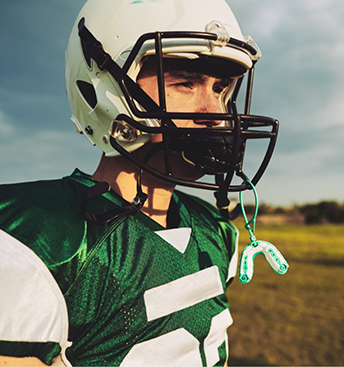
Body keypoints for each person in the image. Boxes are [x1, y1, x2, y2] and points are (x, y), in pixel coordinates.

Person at [0, 0, 278, 365]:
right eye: (185, 83)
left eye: (221, 89)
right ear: (103, 90)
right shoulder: (41, 240)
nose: (216, 113)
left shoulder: (215, 231)